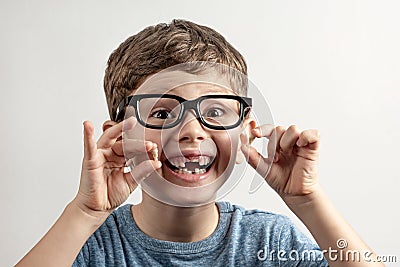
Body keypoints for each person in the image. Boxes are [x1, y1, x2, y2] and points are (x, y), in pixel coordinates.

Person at [16, 19, 383, 266]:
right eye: (161, 114)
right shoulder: (89, 247)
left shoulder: (270, 241)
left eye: (216, 112)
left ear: (247, 132)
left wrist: (308, 201)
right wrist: (83, 213)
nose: (191, 131)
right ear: (121, 137)